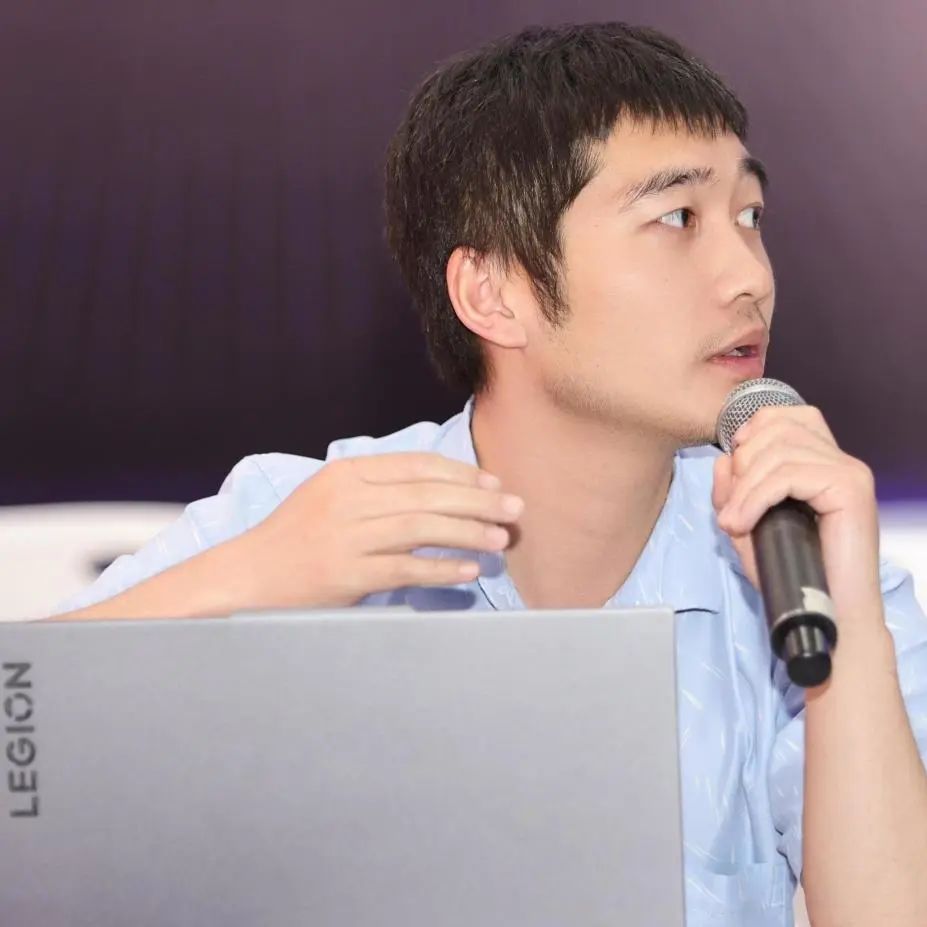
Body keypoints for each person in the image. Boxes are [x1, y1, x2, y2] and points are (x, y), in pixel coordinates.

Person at [46, 21, 927, 926]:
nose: (748, 276)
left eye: (749, 216)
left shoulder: (802, 562)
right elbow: (27, 764)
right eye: (676, 219)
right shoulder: (298, 519)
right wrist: (252, 580)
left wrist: (847, 629)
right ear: (494, 291)